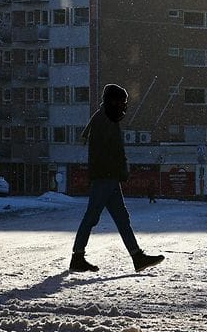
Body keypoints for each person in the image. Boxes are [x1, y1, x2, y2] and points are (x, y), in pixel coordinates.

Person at [69, 83, 165, 273]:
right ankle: (77, 257)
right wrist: (118, 169)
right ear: (113, 101)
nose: (124, 106)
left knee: (121, 218)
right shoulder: (104, 120)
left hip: (108, 177)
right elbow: (108, 152)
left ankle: (137, 256)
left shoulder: (105, 117)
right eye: (122, 102)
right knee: (92, 217)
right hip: (105, 177)